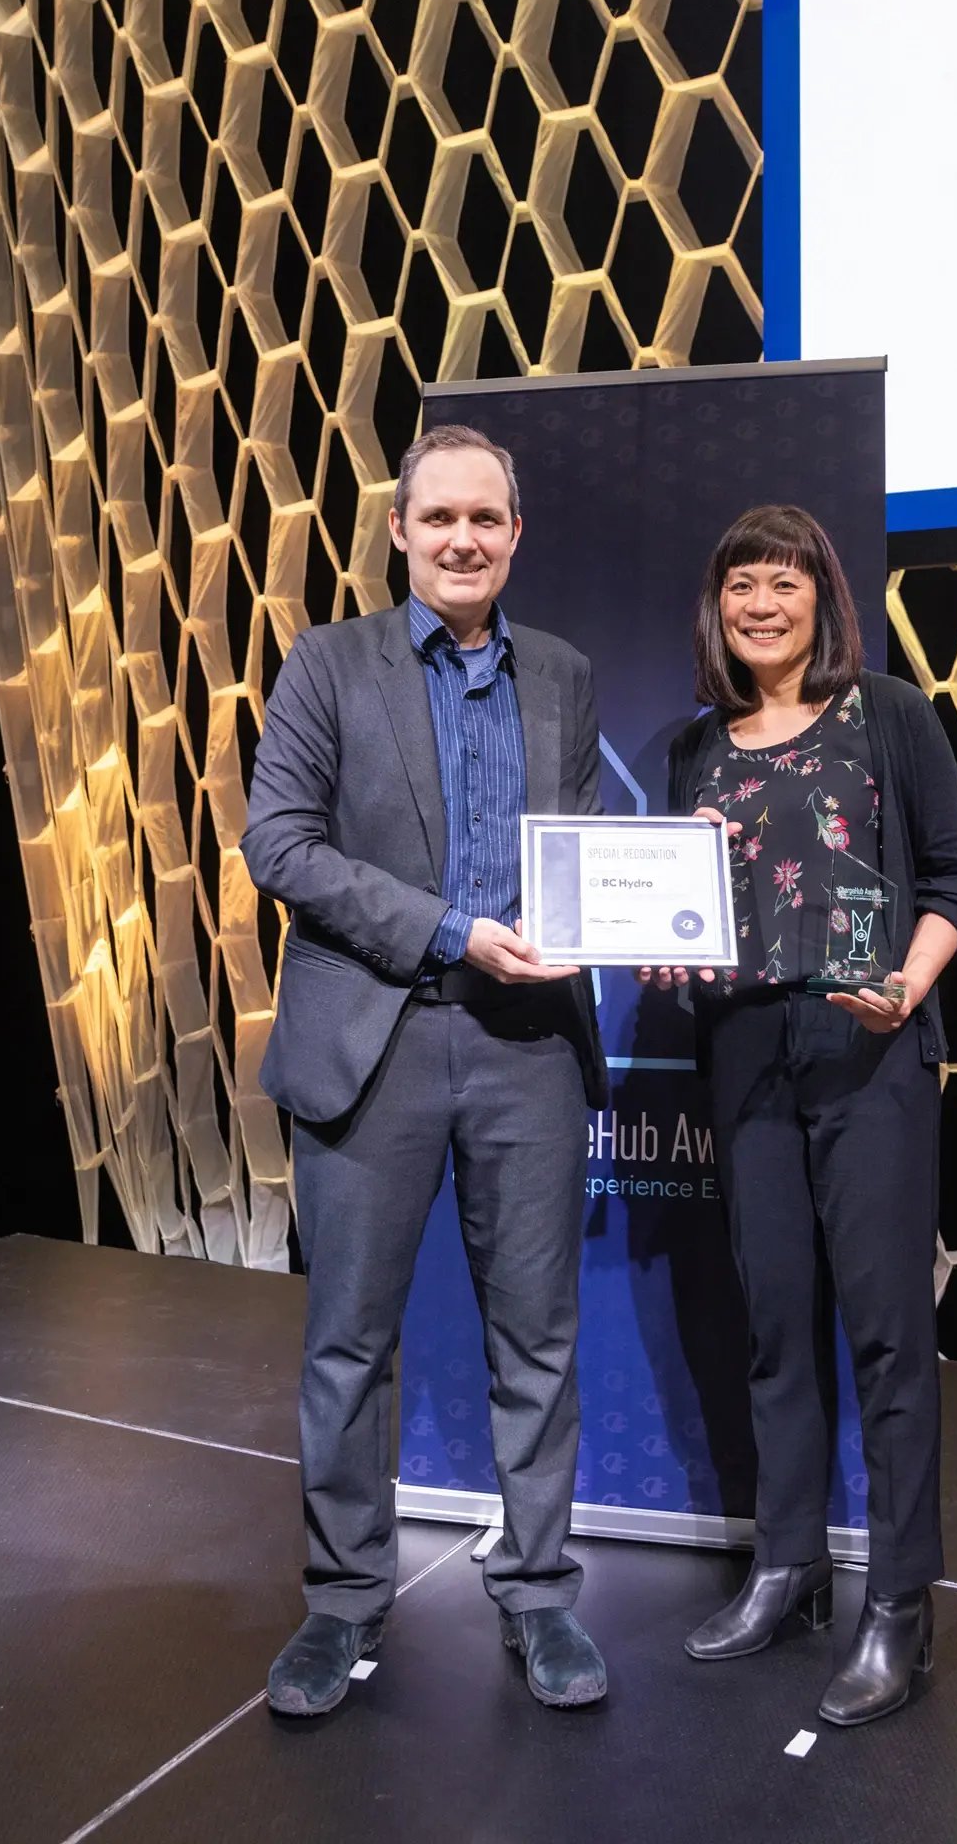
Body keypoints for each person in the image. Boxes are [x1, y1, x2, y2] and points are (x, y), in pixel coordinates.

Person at [242, 423, 609, 1717]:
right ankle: (342, 1605)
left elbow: (583, 846)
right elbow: (276, 845)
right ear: (398, 531)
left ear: (516, 535)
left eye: (486, 520)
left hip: (528, 1052)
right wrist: (452, 931)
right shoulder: (327, 664)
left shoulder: (561, 673)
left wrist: (641, 909)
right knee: (348, 1344)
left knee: (539, 1340)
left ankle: (541, 1594)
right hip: (374, 1040)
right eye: (438, 518)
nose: (462, 539)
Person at [642, 504, 957, 1727]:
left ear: (820, 598)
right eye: (740, 585)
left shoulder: (888, 715)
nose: (761, 605)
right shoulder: (694, 746)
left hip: (867, 1047)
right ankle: (786, 1567)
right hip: (745, 1055)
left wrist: (908, 981)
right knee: (774, 1323)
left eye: (783, 583)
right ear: (716, 607)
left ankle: (898, 1604)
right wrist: (665, 956)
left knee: (887, 1334)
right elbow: (690, 905)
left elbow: (952, 882)